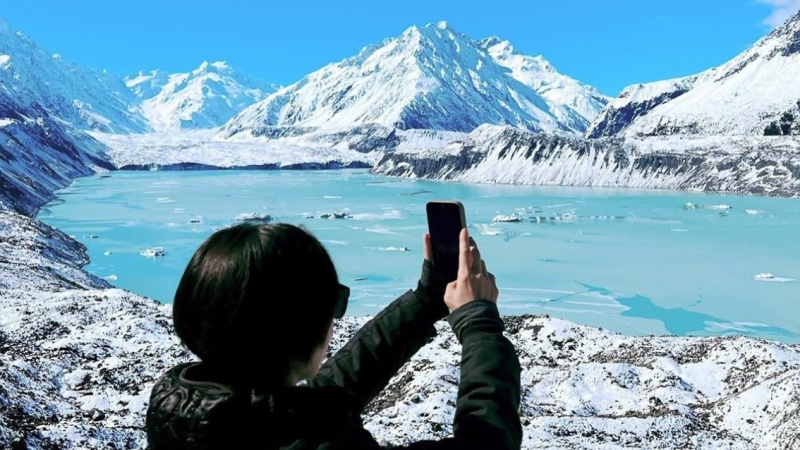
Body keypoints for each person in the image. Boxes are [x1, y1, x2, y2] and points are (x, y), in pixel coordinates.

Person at [145, 221, 522, 450]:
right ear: (297, 326)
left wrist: (425, 303)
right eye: (333, 302)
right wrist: (478, 323)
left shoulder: (187, 414)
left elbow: (322, 398)